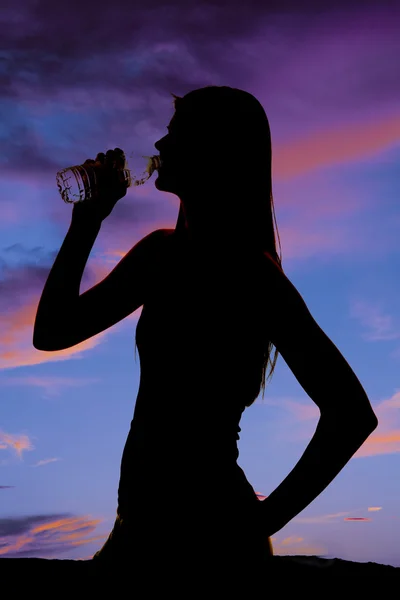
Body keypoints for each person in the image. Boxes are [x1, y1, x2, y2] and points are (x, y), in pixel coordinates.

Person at [33, 86, 378, 588]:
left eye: (177, 133)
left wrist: (262, 521)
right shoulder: (160, 255)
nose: (161, 144)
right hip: (136, 531)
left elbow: (352, 414)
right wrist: (86, 222)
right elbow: (52, 332)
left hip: (211, 543)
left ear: (215, 151)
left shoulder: (251, 275)